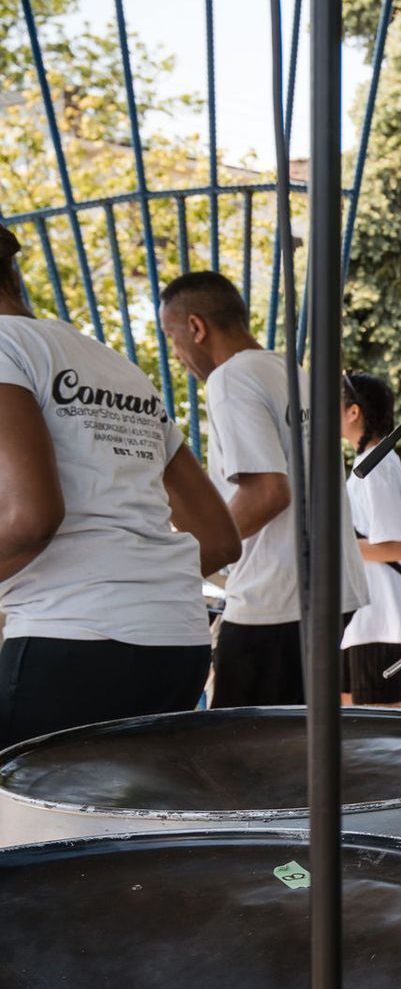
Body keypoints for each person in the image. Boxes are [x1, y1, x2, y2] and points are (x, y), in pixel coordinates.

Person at [0, 223, 240, 745]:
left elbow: (32, 517)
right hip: (176, 644)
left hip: (69, 642)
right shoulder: (113, 364)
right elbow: (219, 538)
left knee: (26, 828)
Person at [158, 271, 368, 708]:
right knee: (291, 754)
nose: (176, 354)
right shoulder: (295, 373)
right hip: (328, 591)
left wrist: (179, 563)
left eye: (172, 337)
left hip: (275, 597)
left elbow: (268, 493)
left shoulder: (231, 379)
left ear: (196, 327)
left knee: (235, 758)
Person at [339, 373, 401, 706]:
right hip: (365, 616)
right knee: (350, 728)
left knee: (377, 733)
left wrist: (332, 547)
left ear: (353, 412)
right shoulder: (367, 465)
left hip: (382, 617)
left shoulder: (377, 467)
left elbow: (396, 546)